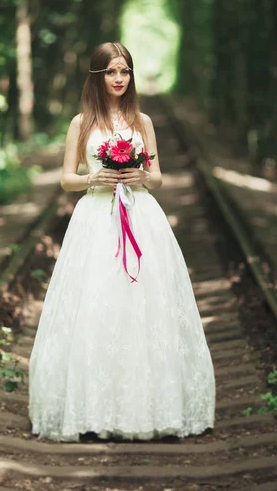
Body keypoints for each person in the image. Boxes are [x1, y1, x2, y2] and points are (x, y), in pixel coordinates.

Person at [28, 42, 215, 442]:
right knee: (96, 305)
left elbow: (159, 176)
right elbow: (66, 178)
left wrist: (141, 177)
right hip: (96, 217)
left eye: (124, 72)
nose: (118, 79)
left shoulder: (142, 120)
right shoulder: (81, 123)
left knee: (144, 305)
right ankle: (92, 408)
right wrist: (93, 178)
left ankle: (147, 406)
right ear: (97, 76)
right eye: (111, 72)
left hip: (141, 215)